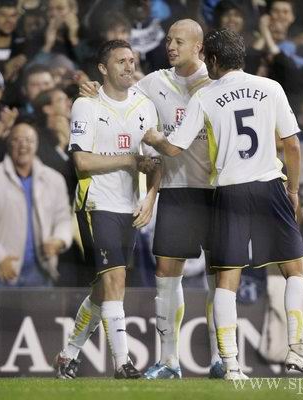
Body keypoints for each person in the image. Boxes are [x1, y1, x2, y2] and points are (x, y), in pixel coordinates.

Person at [143, 28, 303, 380]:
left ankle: (230, 365)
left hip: (228, 192)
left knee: (227, 279)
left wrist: (152, 136)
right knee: (295, 270)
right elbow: (292, 145)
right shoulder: (270, 87)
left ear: (211, 59)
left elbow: (174, 148)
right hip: (270, 186)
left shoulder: (206, 95)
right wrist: (294, 189)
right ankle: (298, 353)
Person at [80, 19, 224, 380]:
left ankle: (221, 358)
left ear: (198, 48)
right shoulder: (154, 82)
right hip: (176, 191)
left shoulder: (219, 84)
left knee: (219, 276)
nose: (170, 46)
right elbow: (117, 92)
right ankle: (169, 362)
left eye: (178, 41)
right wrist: (90, 87)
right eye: (168, 40)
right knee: (166, 274)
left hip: (217, 189)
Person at [54, 39, 160, 380]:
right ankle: (123, 363)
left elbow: (154, 158)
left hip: (129, 204)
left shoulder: (144, 105)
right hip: (96, 202)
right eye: (120, 61)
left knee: (105, 289)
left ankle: (68, 355)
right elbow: (82, 161)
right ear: (103, 69)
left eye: (132, 60)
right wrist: (129, 159)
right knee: (115, 279)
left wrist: (151, 197)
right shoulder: (86, 105)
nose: (129, 66)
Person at [0, 121, 73, 287]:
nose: (23, 145)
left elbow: (63, 218)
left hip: (40, 273)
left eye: (29, 140)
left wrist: (59, 240)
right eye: (17, 140)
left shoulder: (54, 179)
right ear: (9, 145)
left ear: (37, 145)